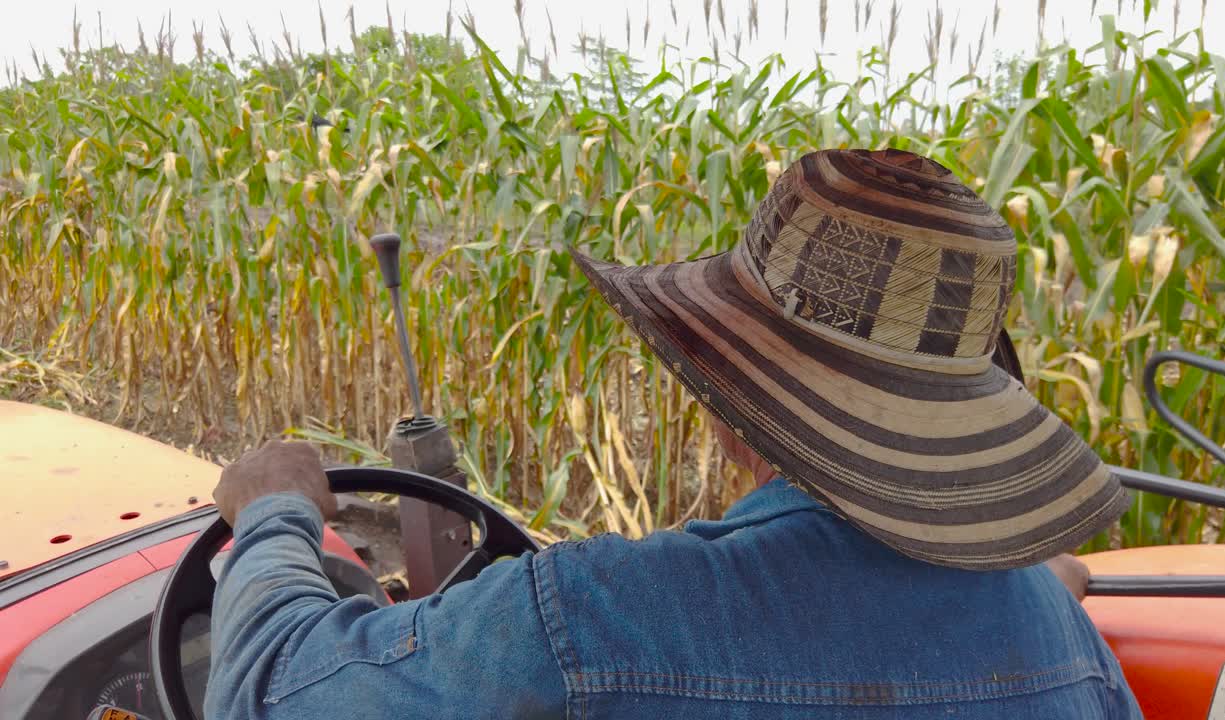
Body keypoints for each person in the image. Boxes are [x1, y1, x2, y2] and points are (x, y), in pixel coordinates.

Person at [207, 148, 1142, 719]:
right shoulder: (1051, 622)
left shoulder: (595, 617)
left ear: (737, 412)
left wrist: (275, 515)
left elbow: (267, 694)